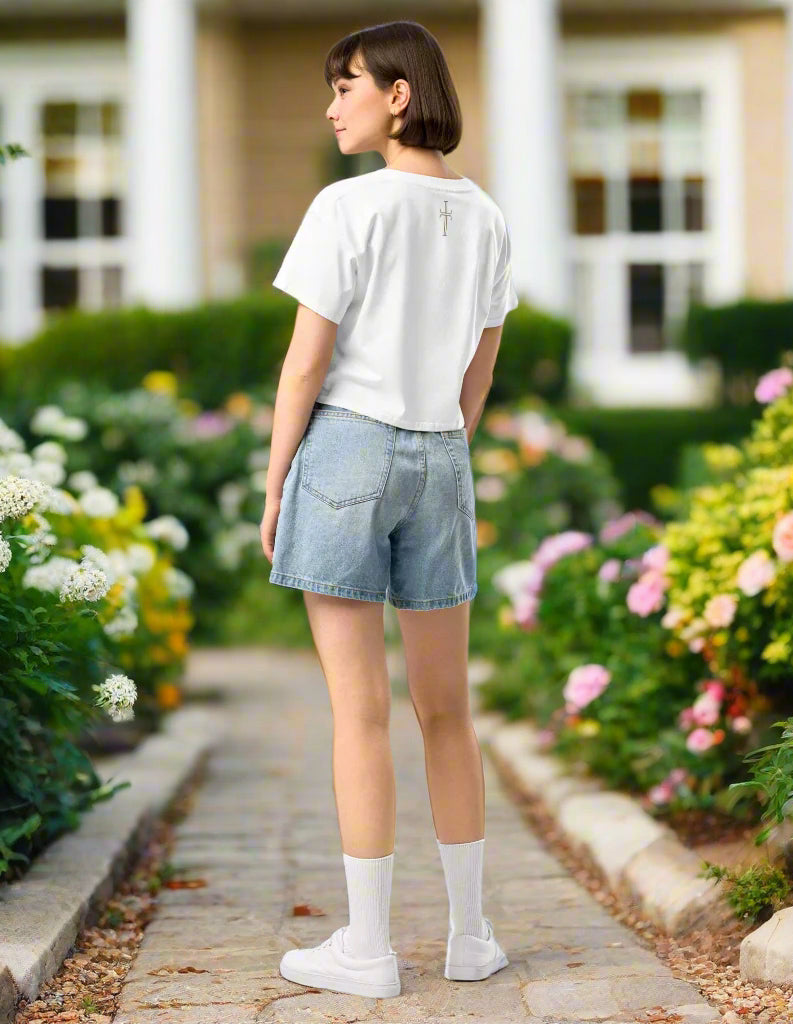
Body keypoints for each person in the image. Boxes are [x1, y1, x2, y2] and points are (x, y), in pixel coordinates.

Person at [259, 18, 519, 1001]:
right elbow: (478, 373)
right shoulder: (488, 217)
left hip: (348, 446)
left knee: (359, 712)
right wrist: (437, 448)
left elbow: (304, 363)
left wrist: (279, 480)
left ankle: (366, 949)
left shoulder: (346, 207)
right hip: (441, 455)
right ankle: (469, 936)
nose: (332, 106)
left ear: (398, 94)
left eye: (346, 86)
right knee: (446, 711)